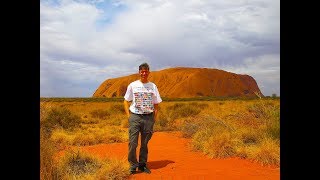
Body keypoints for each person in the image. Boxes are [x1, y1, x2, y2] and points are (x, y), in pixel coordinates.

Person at [123, 62, 162, 174]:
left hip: (148, 117)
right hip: (135, 116)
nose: (144, 73)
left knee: (144, 143)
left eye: (146, 71)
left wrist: (154, 118)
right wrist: (129, 116)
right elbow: (126, 101)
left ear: (149, 72)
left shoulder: (153, 86)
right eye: (142, 71)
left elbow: (156, 104)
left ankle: (142, 165)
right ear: (139, 72)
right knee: (133, 142)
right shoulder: (133, 85)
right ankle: (133, 165)